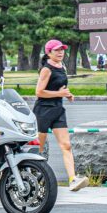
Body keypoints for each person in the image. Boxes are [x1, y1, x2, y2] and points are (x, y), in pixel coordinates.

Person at [34, 39, 88, 192]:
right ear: (48, 52)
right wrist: (60, 93)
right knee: (39, 149)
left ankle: (72, 179)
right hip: (43, 110)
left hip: (58, 110)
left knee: (66, 145)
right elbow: (39, 92)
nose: (60, 52)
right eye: (56, 50)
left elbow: (61, 87)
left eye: (62, 50)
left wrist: (68, 95)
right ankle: (32, 176)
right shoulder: (46, 69)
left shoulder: (61, 66)